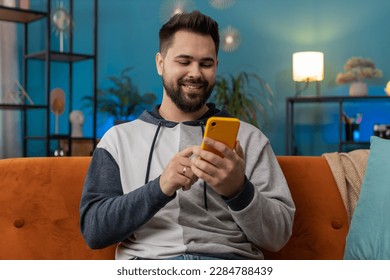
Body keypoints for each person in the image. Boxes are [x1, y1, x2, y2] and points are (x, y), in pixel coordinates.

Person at [80, 10, 295, 260]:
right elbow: (94, 230)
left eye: (206, 63)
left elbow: (278, 236)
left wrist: (238, 189)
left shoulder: (250, 139)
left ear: (216, 66)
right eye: (184, 61)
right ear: (160, 63)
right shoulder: (118, 140)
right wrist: (160, 188)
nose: (195, 73)